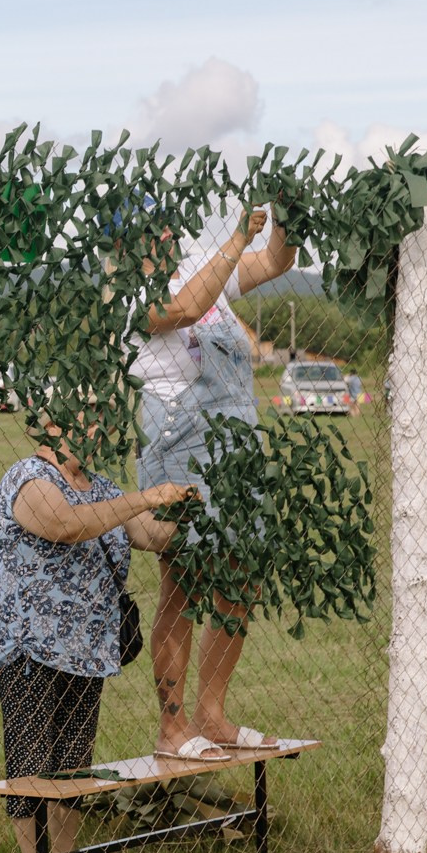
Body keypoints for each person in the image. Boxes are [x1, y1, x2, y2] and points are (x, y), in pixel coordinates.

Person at [0, 411, 189, 853]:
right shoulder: (28, 479)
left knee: (74, 764)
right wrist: (144, 497)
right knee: (33, 762)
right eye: (85, 423)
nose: (97, 432)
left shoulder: (101, 486)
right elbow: (66, 524)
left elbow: (153, 535)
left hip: (87, 652)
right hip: (30, 646)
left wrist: (187, 508)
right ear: (49, 427)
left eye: (99, 423)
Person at [127, 204, 298, 761]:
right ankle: (173, 728)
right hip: (178, 441)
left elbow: (273, 261)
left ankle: (212, 714)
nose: (169, 234)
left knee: (241, 575)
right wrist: (233, 239)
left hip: (234, 443)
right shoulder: (129, 293)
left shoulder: (203, 262)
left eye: (169, 224)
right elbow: (187, 307)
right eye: (155, 228)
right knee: (182, 581)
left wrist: (289, 222)